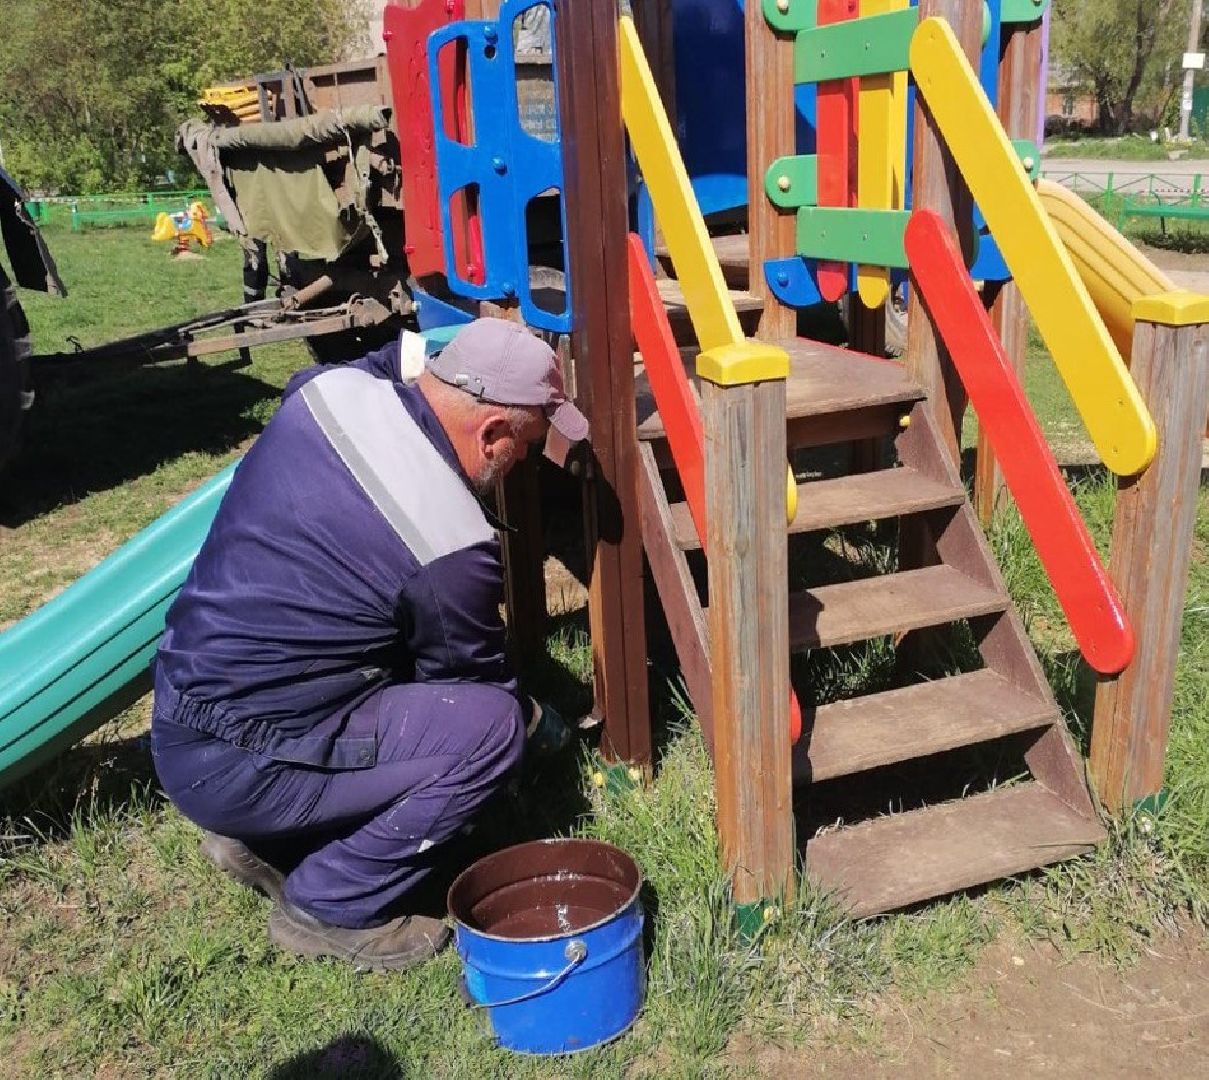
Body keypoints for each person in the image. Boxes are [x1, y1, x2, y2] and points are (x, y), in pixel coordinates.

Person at [150, 318, 587, 971]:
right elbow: (468, 681)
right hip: (242, 763)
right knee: (489, 733)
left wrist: (437, 346)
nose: (521, 461)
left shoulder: (327, 392)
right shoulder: (449, 541)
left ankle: (264, 838)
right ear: (492, 434)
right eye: (524, 445)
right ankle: (329, 904)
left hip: (180, 718)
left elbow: (393, 356)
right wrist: (534, 723)